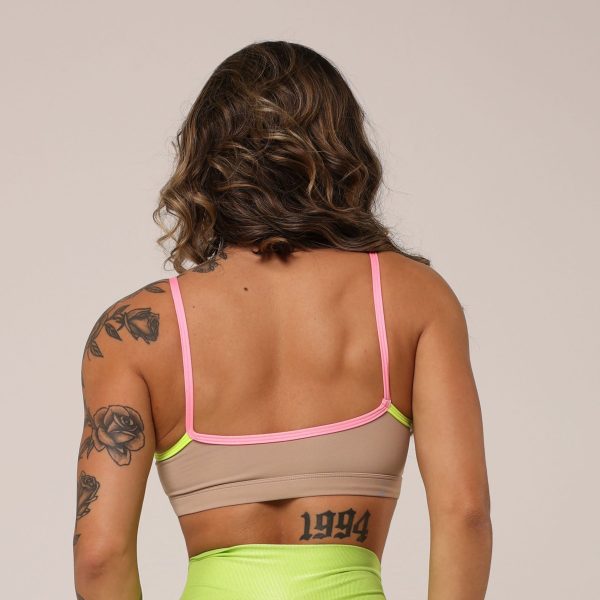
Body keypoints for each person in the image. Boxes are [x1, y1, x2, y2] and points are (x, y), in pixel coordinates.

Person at [72, 40, 492, 599]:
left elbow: (99, 556)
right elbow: (465, 513)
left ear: (206, 157)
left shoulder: (135, 330)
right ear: (343, 148)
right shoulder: (416, 298)